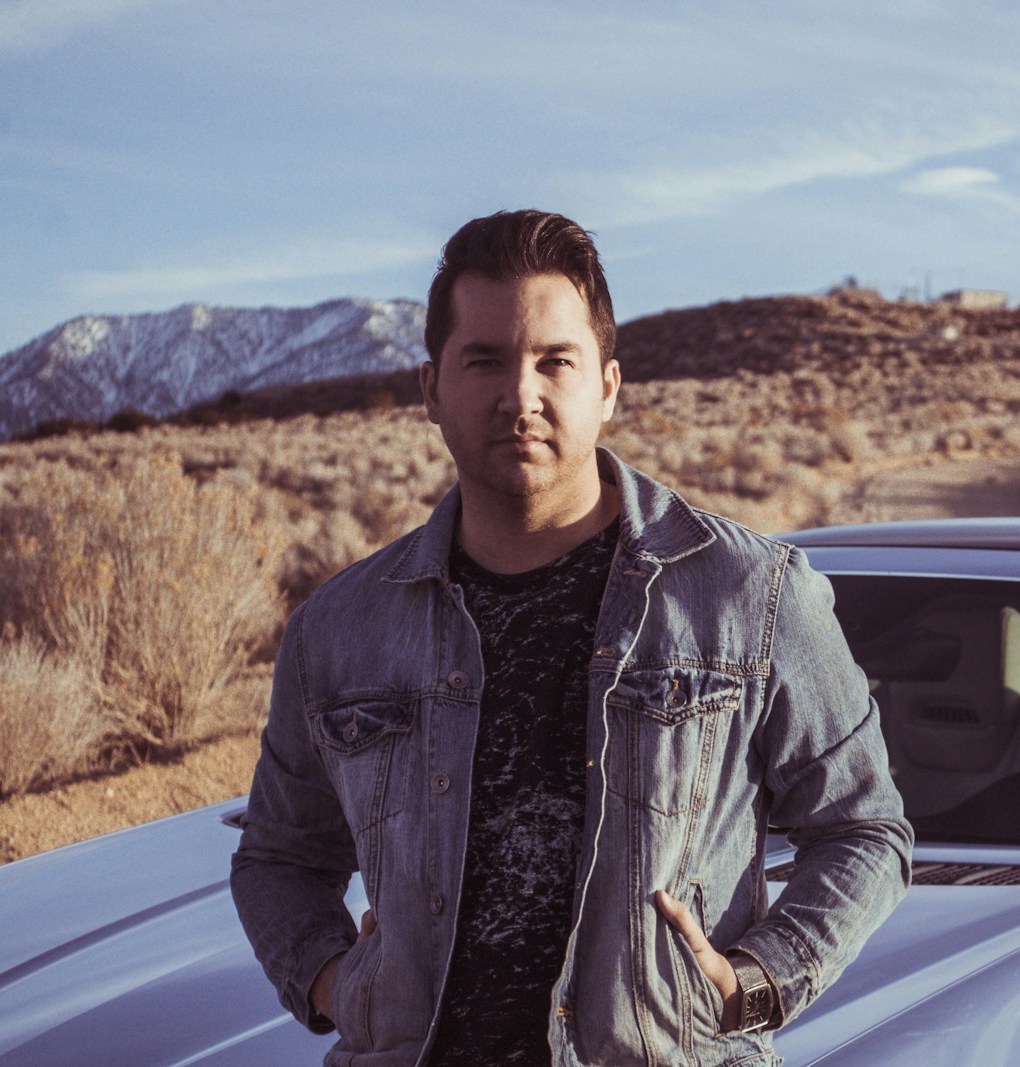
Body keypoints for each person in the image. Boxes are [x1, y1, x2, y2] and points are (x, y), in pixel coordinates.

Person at [230, 209, 913, 1067]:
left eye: (556, 360)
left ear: (609, 386)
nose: (522, 395)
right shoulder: (339, 629)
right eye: (485, 360)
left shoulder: (751, 594)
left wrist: (756, 979)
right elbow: (279, 858)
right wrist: (331, 977)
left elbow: (865, 830)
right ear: (432, 388)